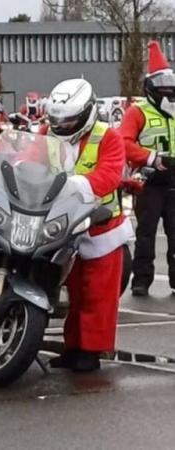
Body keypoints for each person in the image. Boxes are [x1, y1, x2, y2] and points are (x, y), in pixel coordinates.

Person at [44, 79, 131, 372]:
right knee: (75, 292)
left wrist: (74, 185)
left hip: (102, 225)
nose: (63, 126)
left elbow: (110, 175)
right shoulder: (48, 135)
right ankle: (72, 347)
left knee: (98, 294)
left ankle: (91, 351)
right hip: (64, 224)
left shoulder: (109, 137)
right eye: (58, 120)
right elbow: (31, 161)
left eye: (69, 120)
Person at [121, 41, 175, 297]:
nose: (168, 90)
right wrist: (151, 158)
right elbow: (124, 142)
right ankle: (141, 280)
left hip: (174, 179)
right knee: (146, 233)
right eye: (162, 85)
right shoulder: (137, 112)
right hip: (149, 179)